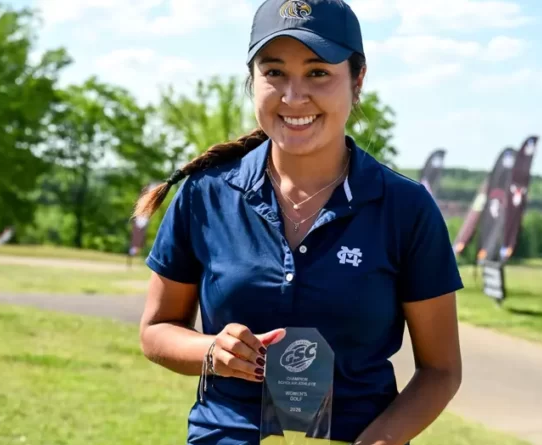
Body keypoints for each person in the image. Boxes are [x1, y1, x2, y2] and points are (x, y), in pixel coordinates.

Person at [134, 0, 464, 443]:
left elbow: (441, 370)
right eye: (274, 73)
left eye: (318, 72)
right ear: (252, 80)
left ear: (357, 78)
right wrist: (213, 350)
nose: (293, 97)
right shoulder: (205, 194)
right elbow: (156, 331)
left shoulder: (406, 209)